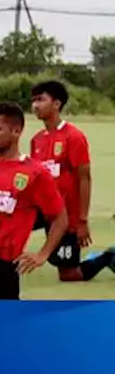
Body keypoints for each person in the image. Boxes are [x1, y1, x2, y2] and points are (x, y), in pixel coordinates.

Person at [0, 102, 68, 299]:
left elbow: (59, 218)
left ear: (16, 131)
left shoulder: (35, 173)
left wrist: (43, 254)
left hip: (2, 261)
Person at [29, 81, 115, 282]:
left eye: (41, 100)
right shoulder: (37, 139)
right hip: (45, 210)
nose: (35, 105)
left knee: (69, 274)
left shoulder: (74, 137)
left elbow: (84, 179)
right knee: (6, 222)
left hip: (67, 216)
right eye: (33, 101)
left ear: (57, 104)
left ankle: (109, 257)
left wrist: (82, 221)